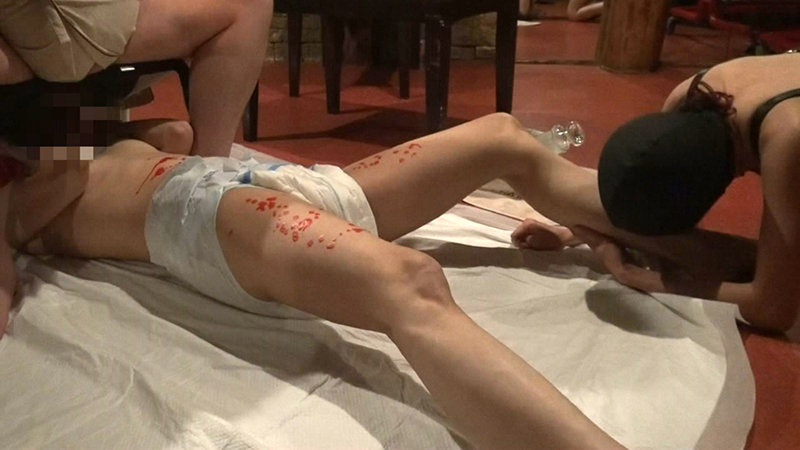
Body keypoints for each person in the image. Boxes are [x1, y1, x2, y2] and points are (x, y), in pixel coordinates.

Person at [0, 111, 634, 447]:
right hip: (197, 213)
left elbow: (177, 131)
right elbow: (71, 177)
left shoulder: (55, 141)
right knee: (408, 283)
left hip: (277, 185)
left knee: (503, 136)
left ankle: (652, 239)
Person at [512, 53, 800, 332]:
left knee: (753, 266)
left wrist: (642, 278)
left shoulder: (788, 138)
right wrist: (571, 232)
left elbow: (772, 310)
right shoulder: (689, 96)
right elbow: (642, 188)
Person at [0, 0, 273, 156]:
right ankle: (208, 175)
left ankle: (199, 175)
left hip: (42, 32)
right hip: (58, 31)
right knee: (250, 6)